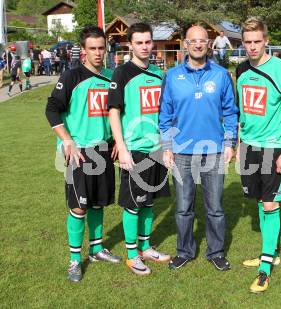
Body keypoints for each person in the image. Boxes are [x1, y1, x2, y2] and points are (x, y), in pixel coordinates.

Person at [45, 26, 122, 283]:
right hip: (79, 152)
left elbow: (115, 113)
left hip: (103, 149)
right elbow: (52, 110)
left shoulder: (111, 76)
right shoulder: (71, 77)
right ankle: (75, 260)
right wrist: (68, 142)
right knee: (79, 206)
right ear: (84, 51)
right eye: (93, 48)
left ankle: (98, 248)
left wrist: (114, 141)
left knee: (99, 202)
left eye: (102, 48)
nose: (98, 53)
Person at [159, 25, 238, 271]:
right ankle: (184, 251)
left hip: (213, 151)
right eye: (192, 41)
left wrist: (229, 143)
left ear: (209, 43)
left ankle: (215, 252)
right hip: (181, 152)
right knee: (183, 208)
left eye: (202, 41)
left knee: (215, 207)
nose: (197, 45)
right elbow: (165, 114)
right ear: (185, 44)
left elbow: (230, 112)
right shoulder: (172, 76)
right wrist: (167, 145)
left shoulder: (221, 75)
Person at [235, 17, 281, 293]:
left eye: (257, 41)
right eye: (247, 42)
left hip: (273, 148)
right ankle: (269, 252)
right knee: (261, 201)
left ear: (266, 40)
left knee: (271, 204)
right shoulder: (240, 70)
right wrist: (239, 144)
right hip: (249, 146)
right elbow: (241, 113)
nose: (251, 47)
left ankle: (264, 269)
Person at [108, 22, 171, 276]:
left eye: (148, 42)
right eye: (139, 42)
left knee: (149, 202)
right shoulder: (121, 73)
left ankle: (145, 247)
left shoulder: (158, 73)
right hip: (133, 149)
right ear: (130, 45)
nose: (145, 47)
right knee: (133, 204)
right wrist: (121, 147)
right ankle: (132, 254)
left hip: (156, 148)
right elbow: (113, 112)